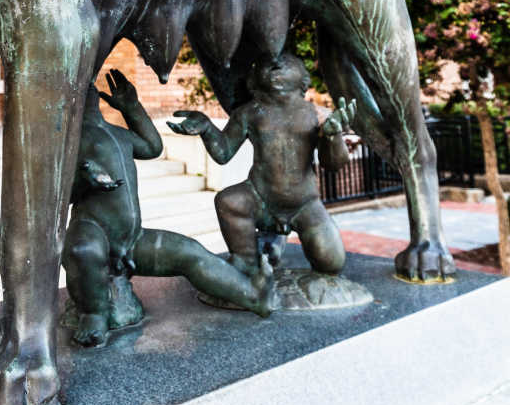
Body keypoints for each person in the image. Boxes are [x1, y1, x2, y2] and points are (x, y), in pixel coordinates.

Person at [62, 70, 274, 348]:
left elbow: (152, 146)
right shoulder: (66, 144)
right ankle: (94, 316)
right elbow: (56, 195)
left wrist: (132, 108)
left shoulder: (118, 134)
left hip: (132, 238)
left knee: (189, 252)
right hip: (94, 233)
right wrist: (83, 181)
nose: (89, 91)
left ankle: (252, 295)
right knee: (83, 250)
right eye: (81, 87)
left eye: (90, 87)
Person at [168, 52, 355, 276]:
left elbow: (333, 164)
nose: (276, 65)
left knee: (331, 263)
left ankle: (272, 246)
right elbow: (223, 153)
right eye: (268, 65)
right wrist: (207, 128)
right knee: (229, 201)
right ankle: (246, 259)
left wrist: (333, 138)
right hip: (260, 198)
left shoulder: (318, 114)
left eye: (285, 62)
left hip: (305, 204)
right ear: (256, 79)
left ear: (303, 79)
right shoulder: (249, 113)